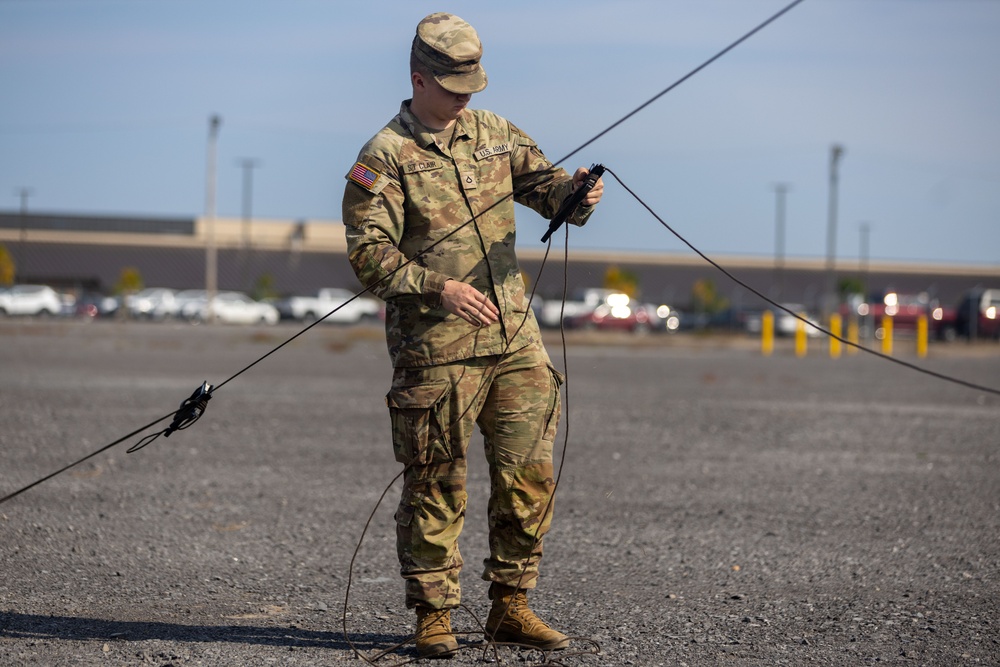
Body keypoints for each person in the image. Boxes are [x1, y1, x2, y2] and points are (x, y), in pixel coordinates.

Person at [341, 12, 603, 659]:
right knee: (436, 479)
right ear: (418, 79)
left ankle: (511, 604)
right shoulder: (384, 156)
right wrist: (440, 287)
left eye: (472, 86)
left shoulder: (494, 133)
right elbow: (368, 254)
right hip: (435, 348)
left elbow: (548, 192)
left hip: (514, 337)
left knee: (528, 472)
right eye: (455, 87)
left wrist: (579, 194)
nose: (466, 99)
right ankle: (434, 614)